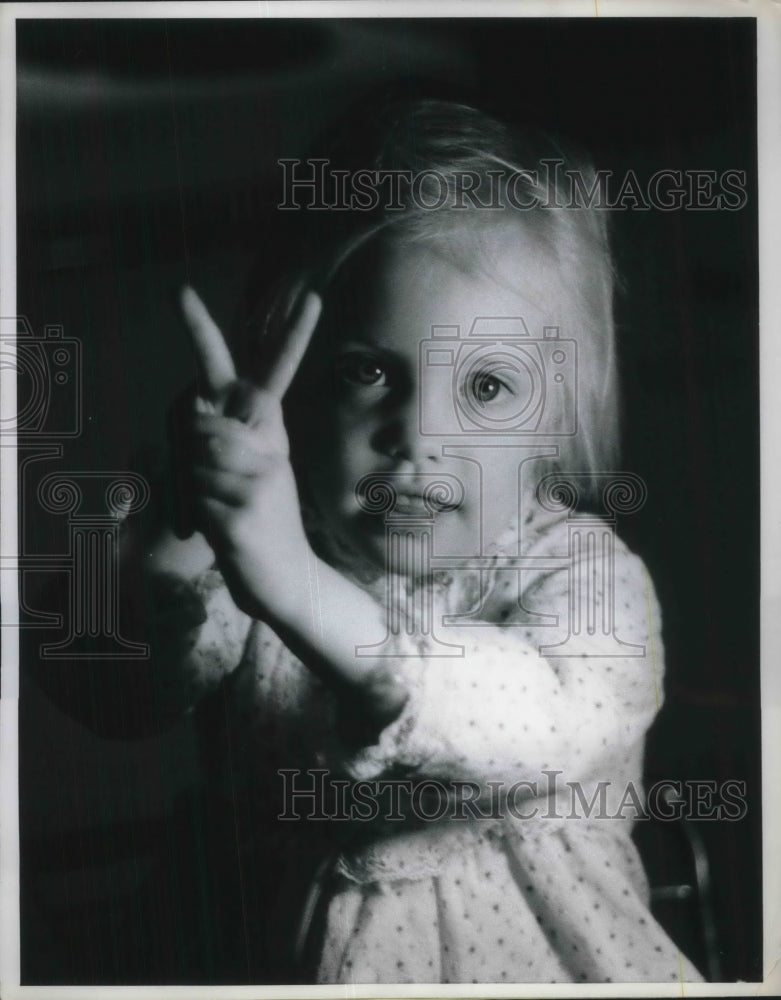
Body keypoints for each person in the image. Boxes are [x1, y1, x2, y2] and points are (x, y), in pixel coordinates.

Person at [117, 99, 706, 983]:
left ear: (554, 427)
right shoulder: (269, 558)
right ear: (298, 394)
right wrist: (184, 521)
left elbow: (528, 719)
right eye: (367, 370)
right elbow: (123, 693)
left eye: (489, 386)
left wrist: (295, 586)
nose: (419, 432)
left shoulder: (587, 580)